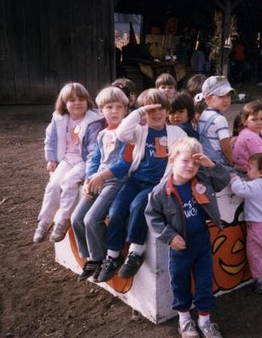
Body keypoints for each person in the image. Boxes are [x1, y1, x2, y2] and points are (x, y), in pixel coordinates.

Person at [96, 89, 187, 282]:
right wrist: (139, 112)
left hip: (156, 184)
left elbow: (188, 150)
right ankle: (112, 255)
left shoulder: (175, 131)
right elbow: (121, 133)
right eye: (150, 110)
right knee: (116, 208)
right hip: (135, 180)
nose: (156, 113)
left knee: (138, 206)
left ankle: (136, 252)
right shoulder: (140, 131)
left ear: (167, 110)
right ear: (144, 113)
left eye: (161, 108)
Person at [145, 137, 229, 338]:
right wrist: (169, 236)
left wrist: (211, 165)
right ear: (172, 160)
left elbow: (223, 180)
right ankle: (184, 319)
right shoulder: (160, 192)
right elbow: (152, 216)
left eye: (195, 162)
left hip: (202, 242)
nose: (191, 166)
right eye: (185, 161)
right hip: (180, 247)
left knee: (204, 281)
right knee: (180, 282)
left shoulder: (203, 179)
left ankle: (205, 321)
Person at [70, 86, 131, 282]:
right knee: (77, 218)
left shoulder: (128, 134)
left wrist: (101, 177)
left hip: (116, 181)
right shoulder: (102, 134)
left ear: (125, 110)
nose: (114, 111)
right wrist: (89, 178)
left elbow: (125, 164)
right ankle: (90, 256)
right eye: (109, 107)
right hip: (98, 180)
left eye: (118, 107)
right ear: (101, 111)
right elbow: (95, 158)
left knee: (92, 219)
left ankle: (104, 257)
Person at [33, 83, 104, 243]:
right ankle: (45, 221)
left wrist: (90, 170)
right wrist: (51, 158)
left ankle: (63, 220)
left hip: (83, 160)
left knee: (69, 182)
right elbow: (50, 140)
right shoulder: (59, 119)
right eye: (72, 100)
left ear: (88, 101)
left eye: (81, 99)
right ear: (64, 103)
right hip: (66, 158)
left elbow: (94, 148)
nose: (77, 103)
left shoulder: (93, 121)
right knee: (53, 184)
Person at [230, 153, 262, 294]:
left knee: (256, 254)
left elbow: (239, 189)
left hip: (258, 227)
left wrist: (234, 178)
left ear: (261, 173)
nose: (247, 170)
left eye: (250, 168)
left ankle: (260, 280)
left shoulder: (255, 185)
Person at [196, 76, 234, 167]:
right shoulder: (220, 120)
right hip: (218, 162)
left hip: (205, 159)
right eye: (221, 96)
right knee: (236, 178)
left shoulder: (203, 114)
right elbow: (225, 147)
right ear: (208, 99)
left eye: (228, 95)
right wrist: (231, 162)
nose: (226, 100)